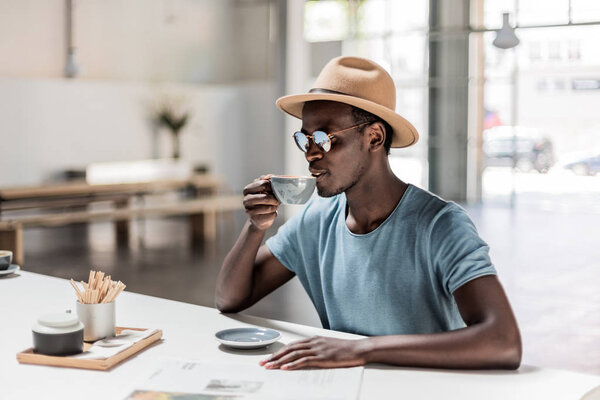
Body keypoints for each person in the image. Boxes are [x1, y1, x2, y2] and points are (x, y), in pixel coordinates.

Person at [215, 56, 522, 371]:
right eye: (304, 138)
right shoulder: (316, 219)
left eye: (323, 138)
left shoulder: (440, 225)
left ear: (374, 137)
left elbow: (503, 342)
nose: (310, 153)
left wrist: (361, 349)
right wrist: (256, 227)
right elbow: (230, 299)